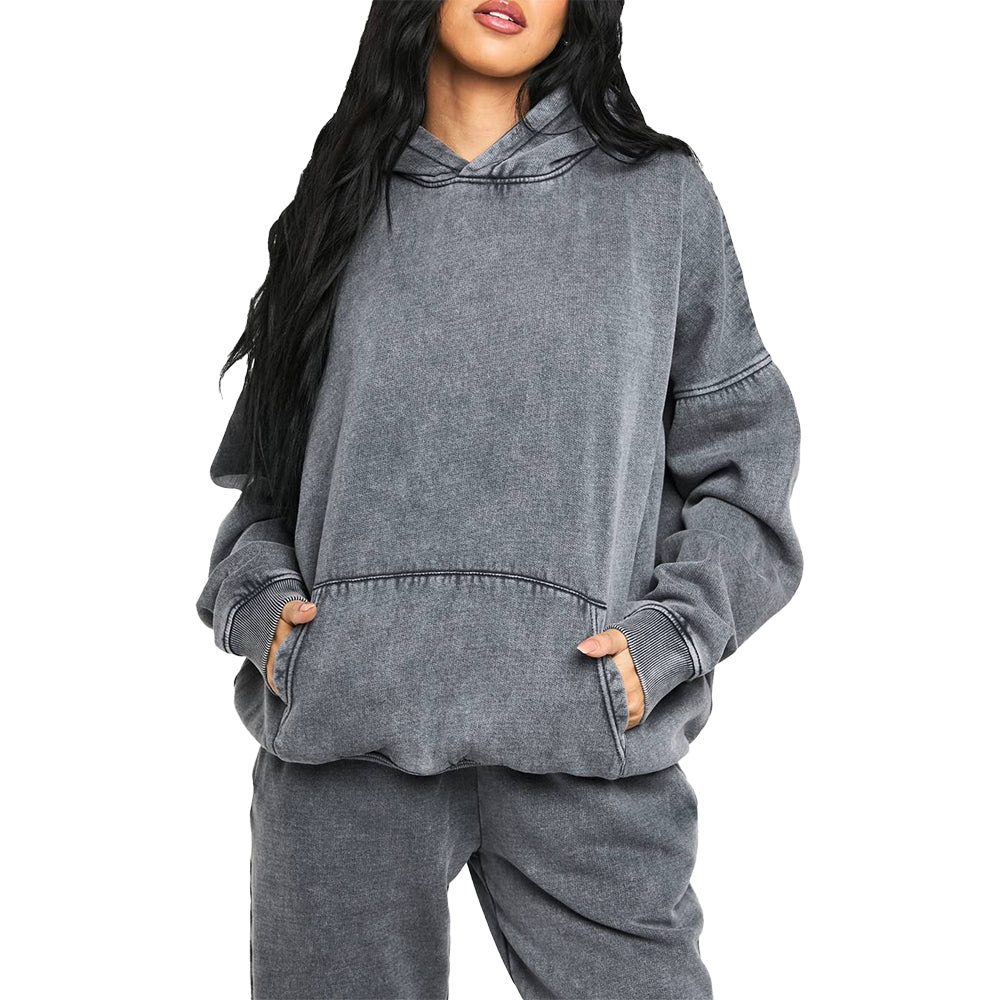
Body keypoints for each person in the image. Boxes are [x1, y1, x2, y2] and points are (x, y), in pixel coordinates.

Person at [196, 1, 803, 997]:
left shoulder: (658, 201)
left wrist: (669, 640)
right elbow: (271, 485)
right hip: (347, 748)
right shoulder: (335, 203)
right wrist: (265, 611)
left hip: (586, 746)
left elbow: (747, 462)